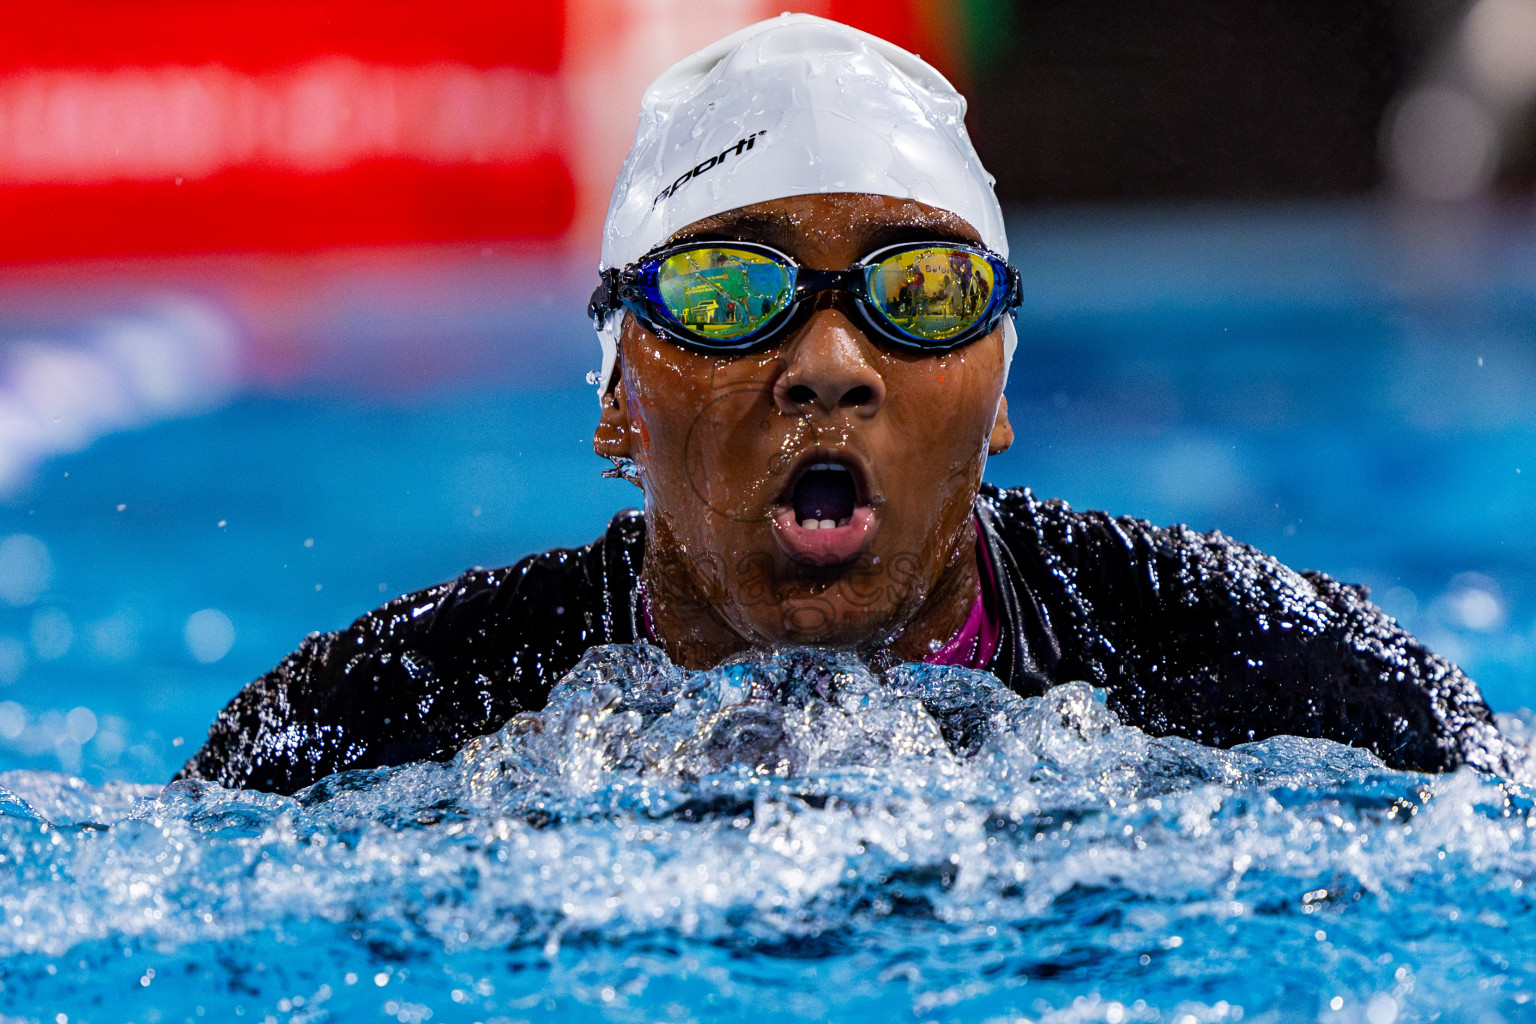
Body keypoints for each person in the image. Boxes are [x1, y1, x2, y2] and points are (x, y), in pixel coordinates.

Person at [176, 14, 1506, 795]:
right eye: (723, 292)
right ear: (620, 404)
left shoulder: (1256, 660)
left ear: (996, 399)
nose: (829, 360)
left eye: (918, 290)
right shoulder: (388, 710)